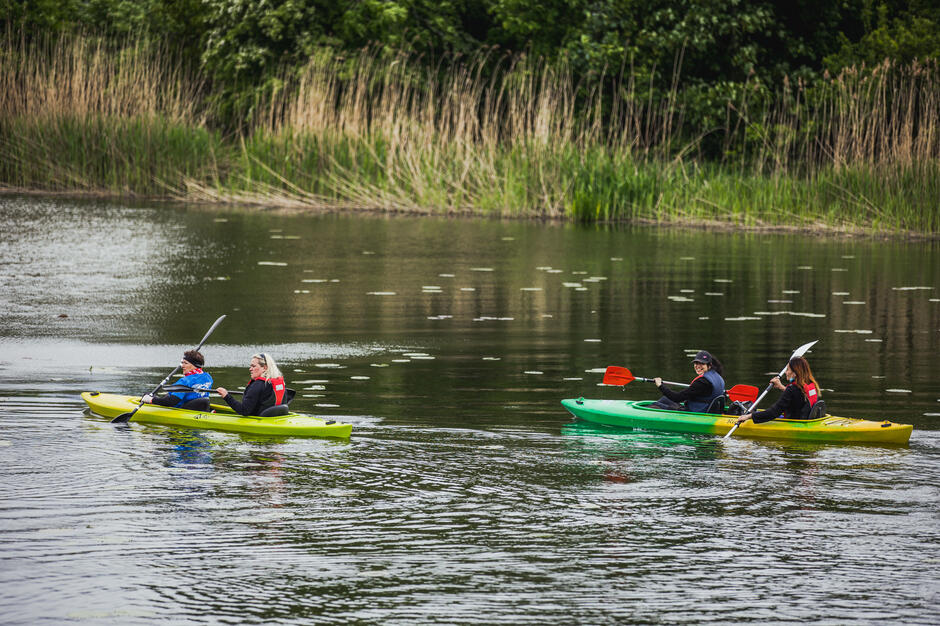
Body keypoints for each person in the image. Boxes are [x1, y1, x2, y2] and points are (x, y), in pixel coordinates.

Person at [735, 356, 821, 425]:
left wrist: (749, 416)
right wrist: (781, 387)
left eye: (787, 370)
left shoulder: (792, 389)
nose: (786, 372)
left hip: (794, 424)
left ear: (795, 373)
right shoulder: (810, 385)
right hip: (808, 421)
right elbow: (797, 397)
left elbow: (773, 412)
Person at [650, 350, 726, 412]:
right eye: (696, 363)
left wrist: (660, 385)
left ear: (709, 366)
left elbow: (677, 398)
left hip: (695, 413)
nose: (698, 366)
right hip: (707, 409)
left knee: (655, 405)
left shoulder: (702, 382)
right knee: (665, 399)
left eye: (702, 363)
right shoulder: (718, 377)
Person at [217, 352, 287, 416]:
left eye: (253, 366)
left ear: (265, 368)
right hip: (278, 417)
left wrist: (226, 396)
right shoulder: (280, 383)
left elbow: (244, 411)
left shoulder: (257, 385)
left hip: (261, 421)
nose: (250, 369)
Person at [142, 350, 213, 409]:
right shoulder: (208, 377)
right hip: (199, 407)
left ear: (194, 366)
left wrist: (151, 400)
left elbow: (171, 401)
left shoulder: (185, 381)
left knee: (148, 395)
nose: (182, 366)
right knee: (165, 395)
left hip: (182, 409)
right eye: (182, 363)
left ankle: (149, 398)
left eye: (185, 363)